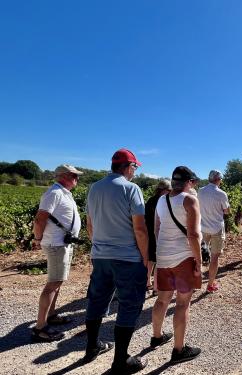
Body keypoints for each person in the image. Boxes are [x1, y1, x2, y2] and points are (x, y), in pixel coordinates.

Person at [84, 149, 149, 373]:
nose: (135, 172)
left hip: (100, 256)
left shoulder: (94, 188)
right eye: (135, 168)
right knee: (129, 305)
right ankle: (120, 360)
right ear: (128, 167)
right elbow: (140, 229)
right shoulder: (131, 189)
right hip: (128, 258)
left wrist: (100, 247)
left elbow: (89, 225)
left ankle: (91, 346)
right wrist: (145, 259)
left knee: (96, 300)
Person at [151, 166, 202, 364]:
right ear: (189, 182)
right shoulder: (189, 200)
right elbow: (194, 235)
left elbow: (157, 228)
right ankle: (178, 350)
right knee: (182, 303)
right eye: (193, 182)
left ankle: (156, 336)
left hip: (163, 257)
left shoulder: (161, 200)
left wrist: (163, 250)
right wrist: (198, 260)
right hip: (183, 258)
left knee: (162, 300)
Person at [31, 164, 83, 342]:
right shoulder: (54, 193)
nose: (77, 178)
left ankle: (51, 315)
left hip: (62, 244)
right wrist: (38, 239)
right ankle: (40, 327)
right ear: (64, 176)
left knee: (58, 282)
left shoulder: (63, 193)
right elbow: (40, 219)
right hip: (56, 244)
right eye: (74, 175)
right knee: (53, 284)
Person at [198, 170, 230, 293]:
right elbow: (226, 211)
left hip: (202, 228)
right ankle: (210, 284)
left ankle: (197, 282)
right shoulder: (222, 194)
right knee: (214, 257)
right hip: (217, 228)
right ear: (219, 179)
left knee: (199, 256)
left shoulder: (200, 191)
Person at [145, 179, 172, 295]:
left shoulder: (150, 200)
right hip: (159, 234)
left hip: (149, 233)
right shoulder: (163, 201)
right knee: (159, 261)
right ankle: (156, 288)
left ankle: (147, 283)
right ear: (164, 190)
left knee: (150, 259)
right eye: (170, 190)